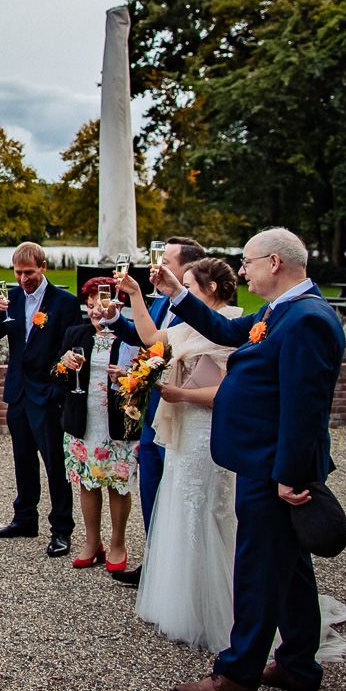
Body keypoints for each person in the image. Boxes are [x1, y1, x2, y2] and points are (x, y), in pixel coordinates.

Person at [160, 228, 346, 691]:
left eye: (247, 262)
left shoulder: (308, 319)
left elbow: (305, 406)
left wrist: (288, 473)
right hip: (262, 460)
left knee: (257, 569)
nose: (242, 271)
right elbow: (227, 331)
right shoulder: (280, 311)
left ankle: (238, 673)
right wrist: (178, 293)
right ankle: (299, 664)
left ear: (275, 263)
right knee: (291, 565)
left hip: (273, 468)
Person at [115, 259, 242, 649]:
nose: (178, 290)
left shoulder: (231, 328)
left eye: (187, 285)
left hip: (206, 433)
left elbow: (227, 393)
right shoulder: (190, 325)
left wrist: (181, 394)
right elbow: (150, 335)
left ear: (214, 289)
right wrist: (136, 294)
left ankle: (217, 609)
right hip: (181, 433)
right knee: (179, 507)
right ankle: (183, 602)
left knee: (205, 510)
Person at [105, 236, 207, 584]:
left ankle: (181, 570)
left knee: (177, 491)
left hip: (182, 413)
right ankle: (156, 561)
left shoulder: (197, 310)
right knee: (150, 490)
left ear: (187, 269)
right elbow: (148, 337)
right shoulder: (162, 300)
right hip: (153, 413)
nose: (157, 266)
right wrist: (117, 318)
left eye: (166, 261)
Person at [0, 241, 83, 557]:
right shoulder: (9, 299)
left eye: (29, 272)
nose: (23, 278)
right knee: (23, 461)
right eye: (18, 272)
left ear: (43, 267)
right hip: (18, 393)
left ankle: (61, 529)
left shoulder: (64, 303)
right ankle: (25, 518)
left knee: (55, 465)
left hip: (47, 395)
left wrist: (57, 391)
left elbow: (74, 348)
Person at [52, 278, 140, 573]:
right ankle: (92, 543)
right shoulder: (76, 333)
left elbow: (148, 382)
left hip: (117, 423)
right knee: (88, 482)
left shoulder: (133, 335)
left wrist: (128, 377)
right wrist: (64, 363)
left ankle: (118, 543)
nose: (94, 312)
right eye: (89, 307)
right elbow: (57, 377)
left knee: (118, 483)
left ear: (117, 305)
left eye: (99, 306)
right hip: (83, 421)